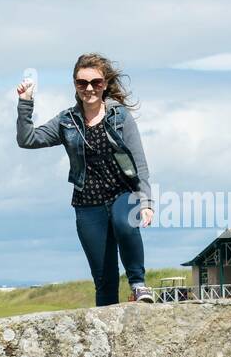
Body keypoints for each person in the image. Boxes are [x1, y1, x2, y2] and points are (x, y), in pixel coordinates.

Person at [16, 53, 156, 307]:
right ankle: (107, 326)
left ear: (105, 84)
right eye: (82, 83)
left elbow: (140, 163)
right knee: (104, 279)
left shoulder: (120, 116)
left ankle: (138, 284)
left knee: (125, 224)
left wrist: (146, 202)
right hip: (87, 203)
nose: (89, 88)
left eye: (96, 82)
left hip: (123, 193)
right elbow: (27, 140)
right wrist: (25, 103)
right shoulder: (66, 121)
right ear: (75, 85)